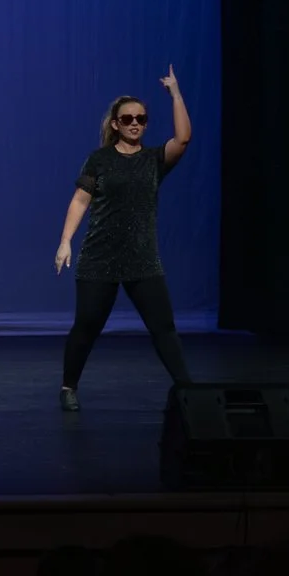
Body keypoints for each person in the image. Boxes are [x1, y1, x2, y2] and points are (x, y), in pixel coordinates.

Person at [54, 66, 196, 409]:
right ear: (116, 124)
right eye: (128, 118)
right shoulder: (99, 159)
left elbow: (183, 139)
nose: (135, 123)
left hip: (142, 257)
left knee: (163, 328)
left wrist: (176, 94)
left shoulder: (153, 160)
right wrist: (65, 240)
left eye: (141, 119)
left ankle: (189, 390)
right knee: (86, 327)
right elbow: (80, 199)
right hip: (100, 255)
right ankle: (68, 387)